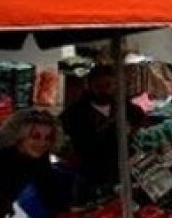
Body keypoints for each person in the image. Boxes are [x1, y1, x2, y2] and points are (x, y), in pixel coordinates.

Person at [61, 65, 146, 200]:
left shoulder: (124, 106)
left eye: (108, 85)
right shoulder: (74, 113)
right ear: (88, 85)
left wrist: (131, 129)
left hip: (122, 168)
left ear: (115, 85)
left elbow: (139, 117)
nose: (103, 90)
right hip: (90, 173)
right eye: (98, 86)